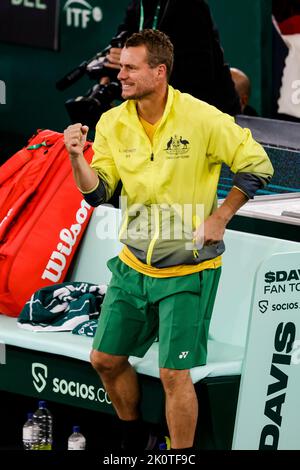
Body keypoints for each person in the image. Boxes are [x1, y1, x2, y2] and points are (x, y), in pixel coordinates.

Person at [64, 29, 274, 452]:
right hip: (133, 265)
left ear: (159, 73)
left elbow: (257, 165)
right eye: (120, 65)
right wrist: (75, 158)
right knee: (104, 360)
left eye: (129, 67)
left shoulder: (202, 118)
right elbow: (100, 191)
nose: (119, 74)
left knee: (174, 375)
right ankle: (133, 439)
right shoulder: (113, 122)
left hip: (188, 270)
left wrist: (220, 216)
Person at [100, 0, 241, 116]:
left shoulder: (190, 6)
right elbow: (123, 40)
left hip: (207, 112)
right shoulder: (138, 5)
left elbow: (199, 73)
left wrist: (142, 64)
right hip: (164, 109)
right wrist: (111, 70)